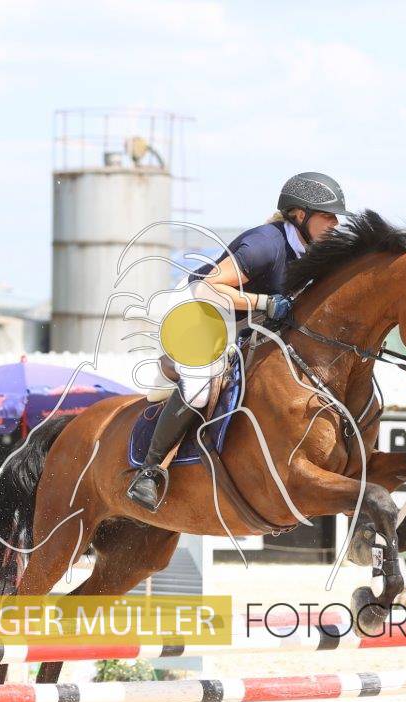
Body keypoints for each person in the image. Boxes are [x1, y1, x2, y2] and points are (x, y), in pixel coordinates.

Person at [126, 171, 350, 512]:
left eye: (336, 217)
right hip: (195, 312)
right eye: (328, 216)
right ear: (299, 215)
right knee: (201, 387)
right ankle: (149, 471)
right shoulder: (266, 244)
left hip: (238, 321)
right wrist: (264, 302)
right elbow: (208, 288)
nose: (335, 223)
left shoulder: (308, 252)